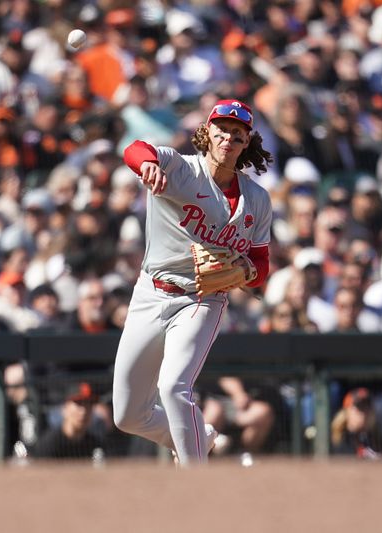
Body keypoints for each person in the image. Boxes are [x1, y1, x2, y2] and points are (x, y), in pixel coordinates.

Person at [112, 98, 273, 466]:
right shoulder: (181, 168)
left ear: (246, 142)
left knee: (173, 387)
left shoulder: (258, 200)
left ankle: (195, 485)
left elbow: (261, 265)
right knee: (127, 415)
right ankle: (202, 435)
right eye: (222, 129)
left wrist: (247, 273)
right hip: (151, 293)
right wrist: (148, 164)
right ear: (207, 131)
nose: (228, 137)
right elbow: (135, 149)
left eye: (237, 133)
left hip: (203, 300)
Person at [33, 382, 105, 460]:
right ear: (65, 408)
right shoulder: (48, 445)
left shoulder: (95, 445)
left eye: (89, 405)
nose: (84, 411)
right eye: (79, 404)